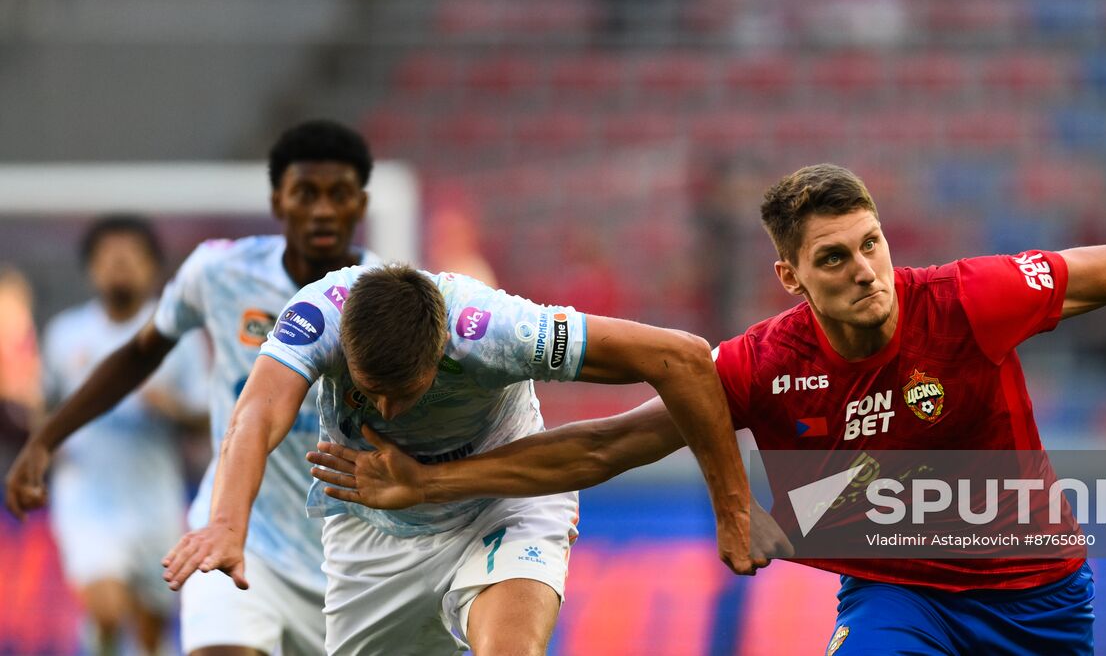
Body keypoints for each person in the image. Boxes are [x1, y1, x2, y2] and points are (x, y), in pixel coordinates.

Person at [306, 163, 1106, 655]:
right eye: (834, 259)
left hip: (1040, 598)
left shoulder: (964, 300)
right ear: (788, 277)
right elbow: (606, 446)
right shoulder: (762, 364)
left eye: (871, 244)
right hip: (897, 600)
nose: (866, 271)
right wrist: (433, 482)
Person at [160, 262, 753, 656]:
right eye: (370, 390)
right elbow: (256, 412)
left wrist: (732, 505)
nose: (386, 412)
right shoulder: (319, 315)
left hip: (502, 505)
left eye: (407, 391)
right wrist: (226, 522)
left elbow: (683, 358)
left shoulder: (498, 333)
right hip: (373, 529)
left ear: (443, 352)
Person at [6, 120, 377, 656]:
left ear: (361, 203)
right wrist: (46, 439)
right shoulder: (221, 272)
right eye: (305, 193)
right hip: (239, 533)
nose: (322, 210)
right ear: (278, 200)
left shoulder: (388, 295)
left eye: (338, 195)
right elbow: (138, 354)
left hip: (349, 552)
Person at [39, 216, 206, 656]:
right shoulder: (65, 334)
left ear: (153, 267)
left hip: (153, 497)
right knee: (108, 608)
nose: (119, 265)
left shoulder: (177, 336)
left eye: (130, 256)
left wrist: (172, 408)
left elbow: (209, 420)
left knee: (150, 628)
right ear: (91, 268)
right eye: (108, 257)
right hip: (86, 496)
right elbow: (44, 410)